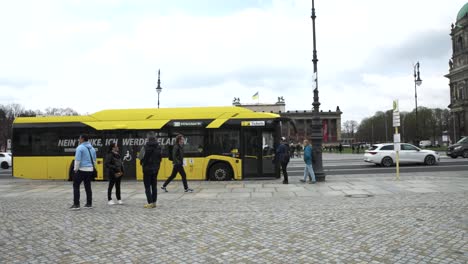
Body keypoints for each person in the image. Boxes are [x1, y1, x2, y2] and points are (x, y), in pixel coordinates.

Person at [70, 134, 96, 210]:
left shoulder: (80, 148)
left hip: (81, 170)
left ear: (82, 139)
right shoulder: (92, 148)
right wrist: (92, 168)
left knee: (76, 186)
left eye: (79, 138)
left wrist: (75, 169)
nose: (79, 140)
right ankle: (89, 203)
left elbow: (77, 160)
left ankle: (76, 204)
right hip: (90, 170)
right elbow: (94, 161)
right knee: (88, 186)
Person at [140, 132, 162, 208]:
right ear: (155, 138)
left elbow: (140, 157)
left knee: (147, 186)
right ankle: (154, 202)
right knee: (154, 186)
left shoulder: (144, 147)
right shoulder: (159, 147)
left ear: (148, 139)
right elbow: (160, 158)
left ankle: (150, 203)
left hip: (146, 169)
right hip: (155, 169)